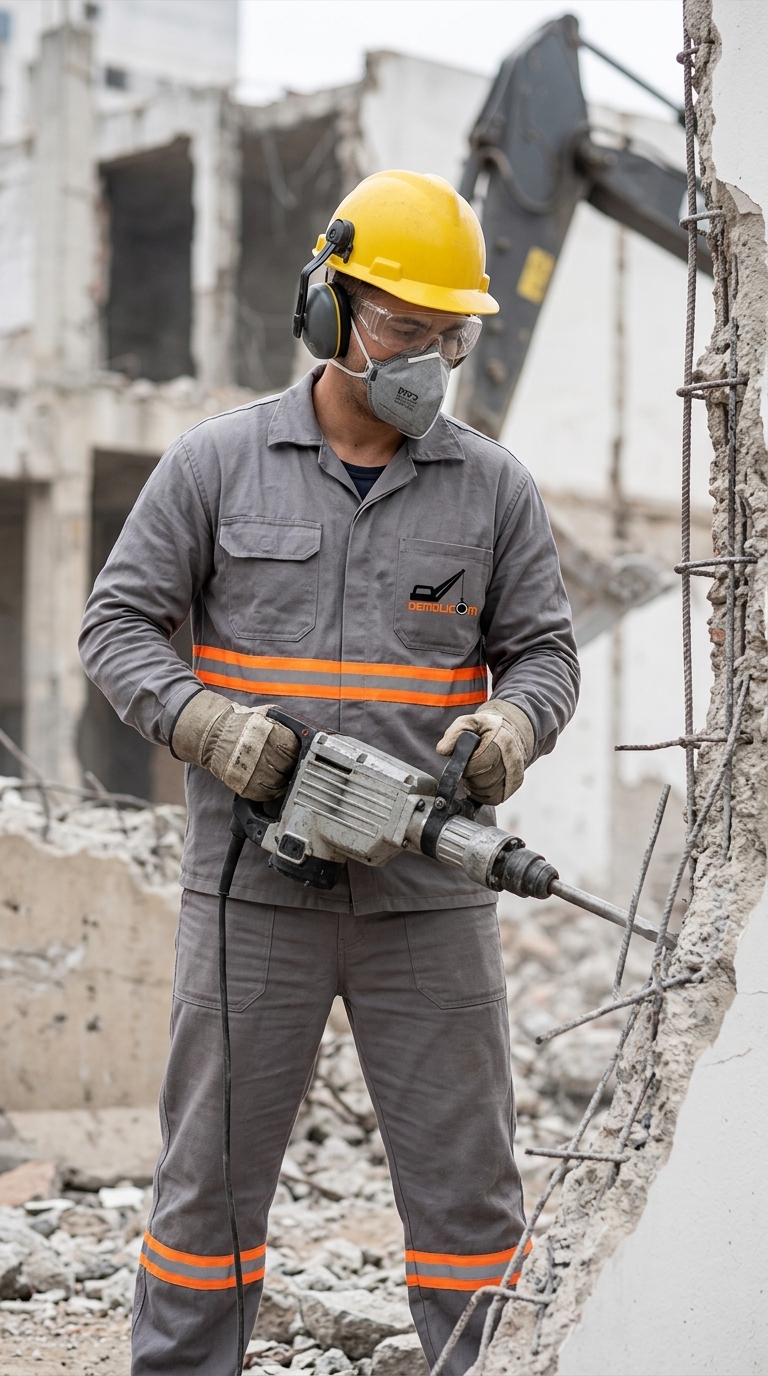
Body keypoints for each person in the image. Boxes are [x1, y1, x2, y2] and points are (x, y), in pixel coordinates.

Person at [79, 169, 579, 1376]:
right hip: (254, 896)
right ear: (327, 308)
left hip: (430, 902)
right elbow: (118, 629)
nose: (427, 360)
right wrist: (207, 726)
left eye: (446, 338)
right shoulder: (215, 466)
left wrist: (514, 727)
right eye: (405, 329)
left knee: (470, 1208)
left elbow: (546, 653)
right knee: (207, 1199)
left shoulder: (494, 488)